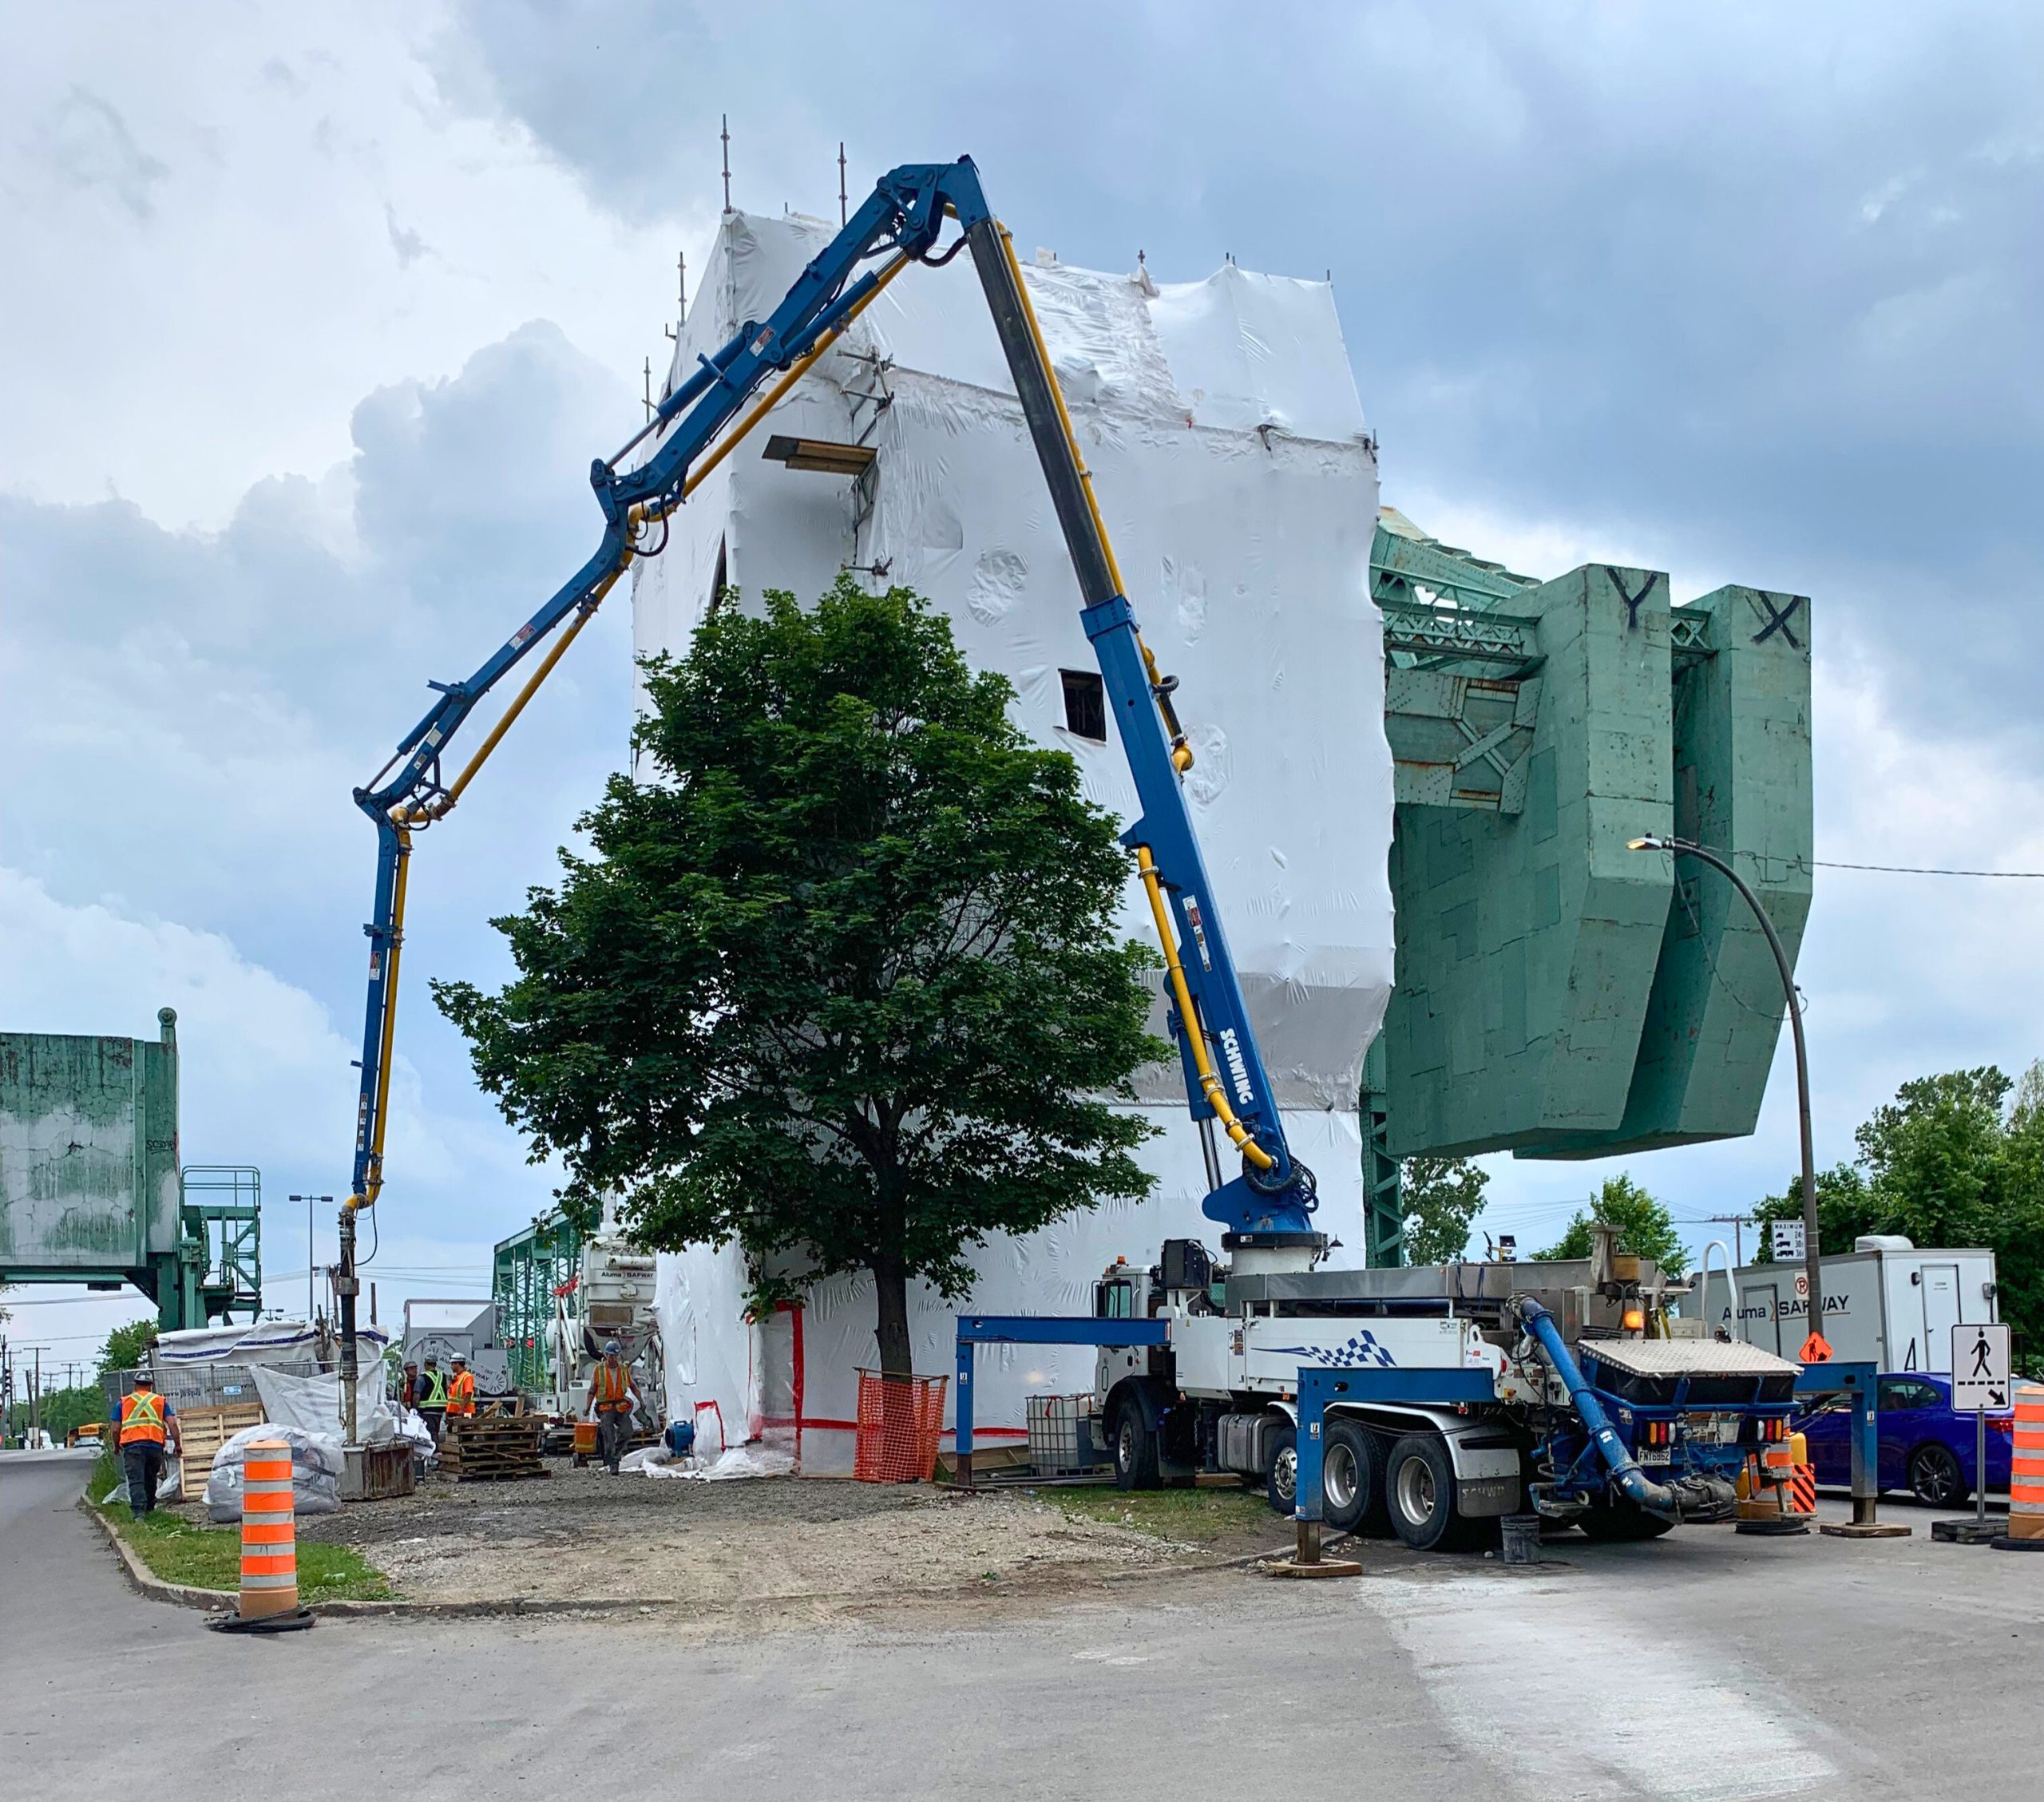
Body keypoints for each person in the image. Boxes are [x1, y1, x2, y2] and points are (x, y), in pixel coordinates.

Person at [116, 1371, 180, 1521]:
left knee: (136, 1480)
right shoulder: (160, 1401)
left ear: (135, 1385)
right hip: (154, 1446)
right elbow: (171, 1423)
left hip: (132, 1447)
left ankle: (139, 1514)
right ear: (151, 1386)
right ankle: (150, 1509)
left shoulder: (124, 1402)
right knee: (150, 1478)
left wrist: (116, 1445)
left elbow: (115, 1428)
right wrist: (177, 1445)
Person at [585, 1341, 640, 1475]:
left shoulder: (623, 1369)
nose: (613, 1358)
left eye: (615, 1356)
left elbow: (633, 1386)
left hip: (620, 1406)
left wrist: (641, 1401)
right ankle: (614, 1464)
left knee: (627, 1431)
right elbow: (592, 1390)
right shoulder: (599, 1370)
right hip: (605, 1408)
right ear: (606, 1355)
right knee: (609, 1436)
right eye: (610, 1355)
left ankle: (614, 1453)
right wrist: (587, 1407)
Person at [417, 1356, 448, 1444]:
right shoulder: (442, 1376)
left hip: (427, 1411)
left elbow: (417, 1395)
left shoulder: (422, 1377)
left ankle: (436, 1451)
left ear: (426, 1364)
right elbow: (447, 1391)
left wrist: (415, 1409)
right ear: (435, 1364)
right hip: (440, 1410)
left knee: (431, 1432)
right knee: (435, 1431)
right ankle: (436, 1450)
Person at [446, 1352, 477, 1425]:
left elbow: (468, 1394)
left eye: (452, 1364)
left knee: (466, 1433)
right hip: (454, 1411)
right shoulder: (456, 1377)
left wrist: (462, 1409)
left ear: (458, 1364)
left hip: (465, 1412)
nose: (451, 1366)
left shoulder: (467, 1376)